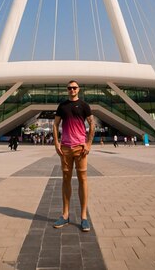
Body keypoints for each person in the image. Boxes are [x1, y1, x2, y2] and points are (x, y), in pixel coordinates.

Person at [53, 80, 95, 232]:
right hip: (65, 148)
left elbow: (92, 123)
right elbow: (55, 124)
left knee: (83, 179)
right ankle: (65, 215)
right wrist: (56, 143)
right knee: (66, 179)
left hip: (80, 148)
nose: (72, 90)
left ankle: (84, 217)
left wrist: (88, 143)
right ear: (67, 90)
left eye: (74, 87)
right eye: (69, 88)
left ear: (79, 89)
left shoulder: (84, 105)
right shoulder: (62, 106)